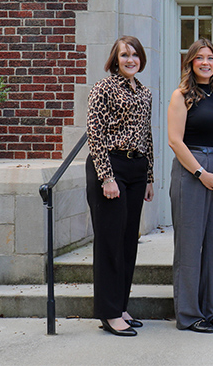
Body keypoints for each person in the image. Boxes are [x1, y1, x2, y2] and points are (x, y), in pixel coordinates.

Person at [167, 38, 213, 334]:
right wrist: (200, 173)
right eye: (200, 58)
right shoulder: (181, 95)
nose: (206, 62)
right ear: (191, 63)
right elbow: (175, 140)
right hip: (192, 171)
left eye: (210, 58)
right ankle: (189, 314)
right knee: (189, 245)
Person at [86, 36, 154, 337]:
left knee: (128, 241)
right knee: (110, 241)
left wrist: (149, 176)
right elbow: (95, 132)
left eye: (135, 55)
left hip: (137, 168)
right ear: (115, 59)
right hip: (111, 165)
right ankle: (109, 312)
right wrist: (106, 176)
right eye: (124, 55)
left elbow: (146, 135)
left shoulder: (145, 92)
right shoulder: (104, 88)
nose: (130, 59)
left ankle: (121, 305)